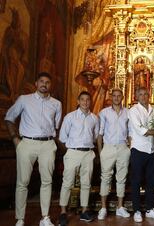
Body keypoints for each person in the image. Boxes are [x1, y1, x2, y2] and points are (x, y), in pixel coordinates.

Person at [5, 72, 62, 226]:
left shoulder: (56, 104)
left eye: (48, 82)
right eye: (41, 81)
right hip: (27, 143)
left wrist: (53, 144)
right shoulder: (24, 100)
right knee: (22, 182)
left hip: (48, 144)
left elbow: (56, 125)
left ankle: (45, 218)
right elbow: (9, 117)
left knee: (47, 181)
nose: (44, 84)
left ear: (51, 85)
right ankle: (20, 219)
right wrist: (15, 139)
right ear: (36, 83)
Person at [58, 91, 99, 225]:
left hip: (88, 153)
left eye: (88, 100)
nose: (85, 102)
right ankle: (63, 212)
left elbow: (95, 136)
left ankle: (84, 211)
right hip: (73, 152)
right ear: (78, 101)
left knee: (86, 183)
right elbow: (63, 137)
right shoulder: (70, 117)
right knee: (67, 183)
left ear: (90, 102)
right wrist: (71, 150)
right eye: (82, 99)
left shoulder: (94, 118)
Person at [128, 87, 154, 223]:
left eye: (145, 94)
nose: (143, 97)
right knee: (137, 180)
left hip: (152, 150)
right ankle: (137, 210)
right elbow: (139, 129)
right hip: (138, 149)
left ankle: (150, 209)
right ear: (136, 97)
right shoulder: (133, 111)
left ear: (149, 96)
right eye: (141, 95)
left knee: (151, 181)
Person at [97, 89, 131, 220]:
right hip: (108, 147)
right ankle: (103, 208)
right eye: (114, 96)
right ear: (111, 97)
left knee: (121, 178)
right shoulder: (104, 113)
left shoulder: (127, 113)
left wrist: (130, 148)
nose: (116, 98)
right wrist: (101, 152)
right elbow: (100, 134)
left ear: (122, 97)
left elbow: (130, 133)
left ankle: (120, 207)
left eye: (119, 96)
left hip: (123, 147)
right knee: (105, 177)